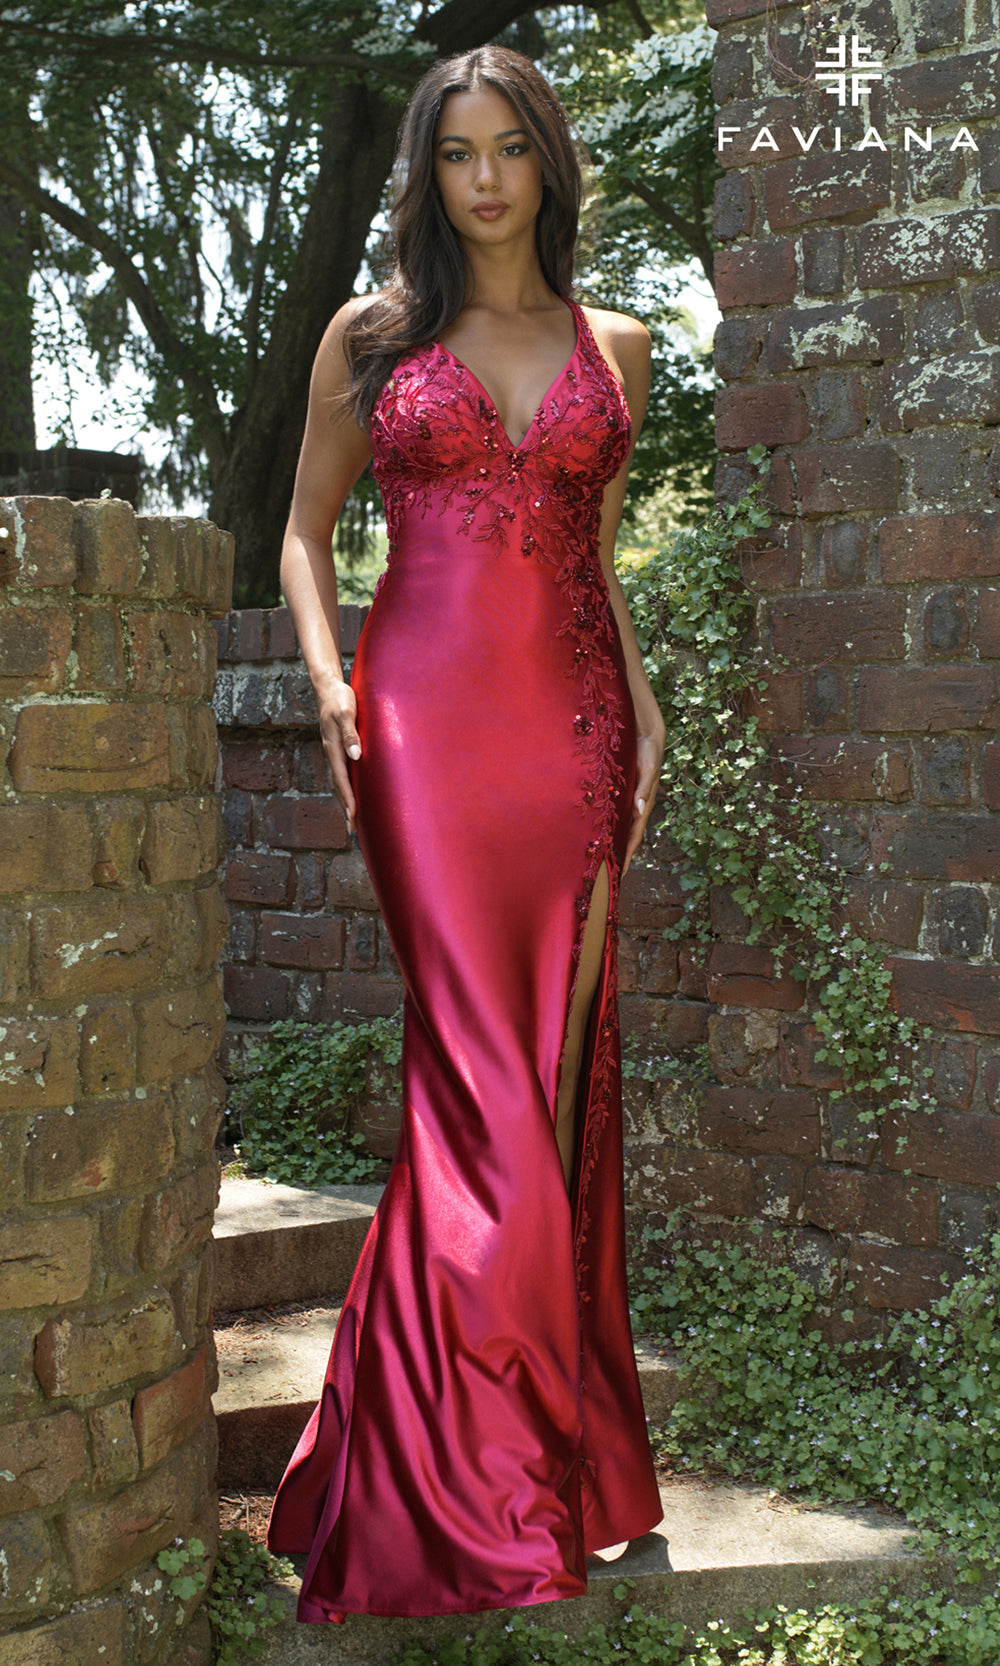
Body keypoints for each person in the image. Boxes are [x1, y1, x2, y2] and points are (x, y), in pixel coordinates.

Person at [265, 44, 668, 1624]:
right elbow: (305, 532)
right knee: (484, 1083)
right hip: (422, 729)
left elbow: (596, 556)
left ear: (546, 164)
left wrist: (644, 708)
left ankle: (529, 1459)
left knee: (547, 1099)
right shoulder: (374, 338)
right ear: (427, 174)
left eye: (508, 149)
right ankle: (491, 1496)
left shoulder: (615, 343)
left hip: (569, 734)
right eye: (456, 154)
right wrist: (321, 683)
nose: (484, 178)